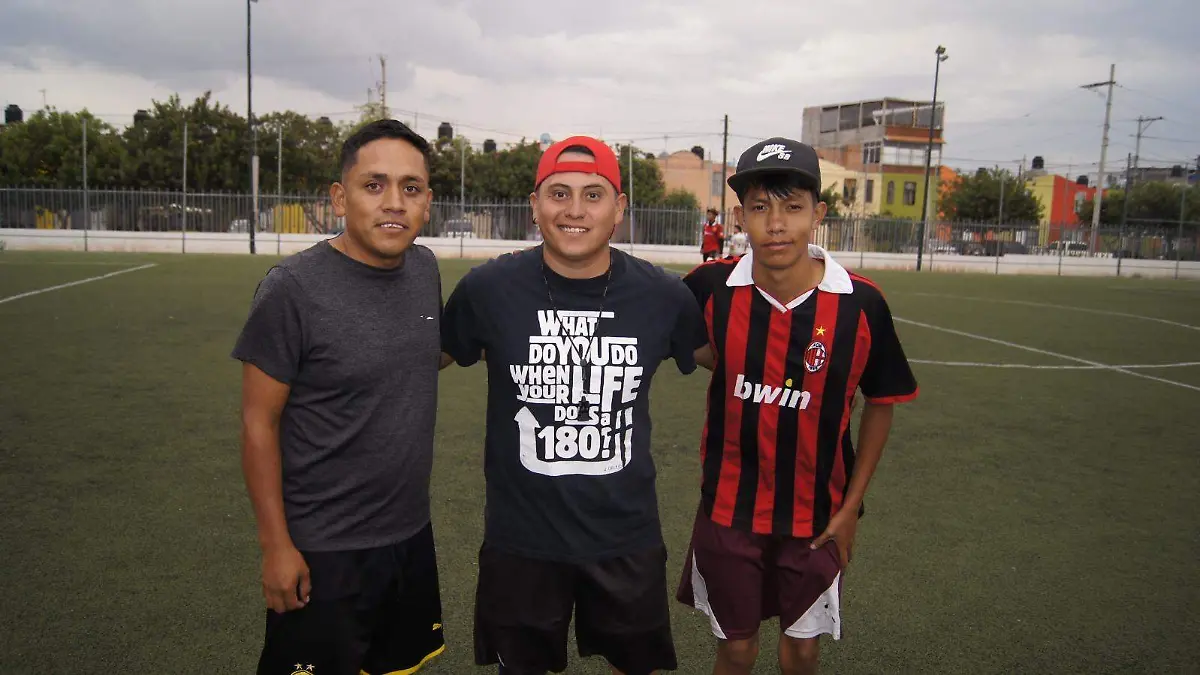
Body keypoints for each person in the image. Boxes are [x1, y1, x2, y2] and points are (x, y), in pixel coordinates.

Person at [440, 136, 708, 675]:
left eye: (594, 194)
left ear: (619, 208)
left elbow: (733, 368)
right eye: (559, 193)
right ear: (535, 203)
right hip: (521, 541)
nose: (576, 210)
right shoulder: (488, 289)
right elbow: (414, 365)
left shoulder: (662, 295)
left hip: (624, 535)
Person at [674, 137, 919, 675]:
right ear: (741, 216)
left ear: (818, 214)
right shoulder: (711, 287)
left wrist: (852, 506)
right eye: (760, 208)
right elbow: (668, 333)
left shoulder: (861, 304)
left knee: (802, 651)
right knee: (736, 648)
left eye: (793, 207)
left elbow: (882, 403)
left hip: (818, 515)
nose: (776, 223)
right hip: (728, 509)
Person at [233, 119, 446, 675]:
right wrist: (276, 546)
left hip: (408, 536)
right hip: (324, 549)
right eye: (374, 185)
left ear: (427, 201)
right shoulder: (292, 289)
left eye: (411, 187)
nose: (394, 202)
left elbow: (414, 355)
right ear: (339, 197)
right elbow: (258, 423)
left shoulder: (424, 270)